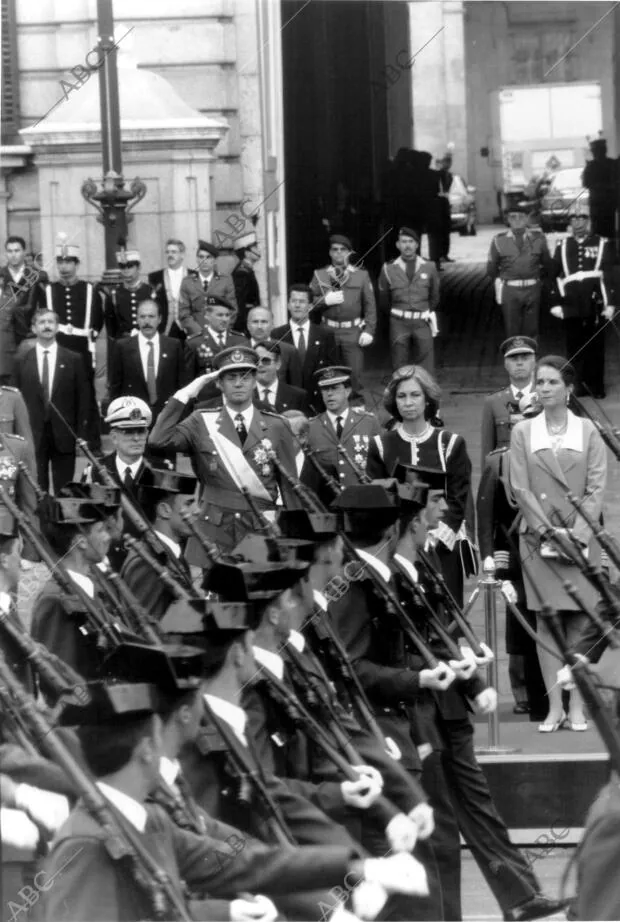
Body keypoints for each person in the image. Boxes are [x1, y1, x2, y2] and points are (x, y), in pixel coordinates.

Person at [38, 669, 425, 922]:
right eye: (161, 732)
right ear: (145, 749)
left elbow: (245, 862)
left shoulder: (150, 820)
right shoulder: (84, 843)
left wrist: (358, 868)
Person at [510, 355, 607, 732]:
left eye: (552, 382)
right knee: (547, 625)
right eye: (541, 383)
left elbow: (597, 488)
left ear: (569, 389)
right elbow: (520, 487)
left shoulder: (589, 430)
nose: (544, 389)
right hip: (538, 541)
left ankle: (579, 707)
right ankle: (555, 707)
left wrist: (575, 534)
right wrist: (548, 531)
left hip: (583, 539)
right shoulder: (523, 432)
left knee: (584, 623)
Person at [148, 345, 302, 562]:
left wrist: (293, 539)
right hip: (214, 531)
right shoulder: (201, 421)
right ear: (218, 383)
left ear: (255, 380)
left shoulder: (277, 425)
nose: (239, 383)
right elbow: (158, 440)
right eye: (231, 378)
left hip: (261, 528)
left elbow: (291, 489)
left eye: (245, 376)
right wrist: (186, 393)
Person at [366, 365, 475, 606]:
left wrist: (431, 538)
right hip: (396, 547)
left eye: (415, 395)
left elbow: (458, 499)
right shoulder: (380, 446)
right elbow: (376, 499)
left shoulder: (450, 443)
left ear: (427, 400)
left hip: (440, 545)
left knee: (444, 616)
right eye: (402, 396)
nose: (408, 402)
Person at [477, 440, 547, 720]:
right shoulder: (499, 463)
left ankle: (557, 690)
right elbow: (487, 517)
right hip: (515, 555)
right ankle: (523, 691)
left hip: (551, 552)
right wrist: (489, 557)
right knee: (520, 624)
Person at [31, 489, 111, 679]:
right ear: (81, 542)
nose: (108, 537)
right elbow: (57, 675)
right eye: (101, 530)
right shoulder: (54, 600)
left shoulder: (94, 583)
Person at [14, 307, 91, 492]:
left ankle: (61, 521)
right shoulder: (21, 360)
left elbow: (83, 399)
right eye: (41, 322)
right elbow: (16, 402)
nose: (46, 326)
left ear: (57, 327)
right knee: (37, 489)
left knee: (64, 489)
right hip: (33, 435)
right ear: (33, 329)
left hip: (64, 435)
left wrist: (82, 434)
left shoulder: (74, 359)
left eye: (50, 322)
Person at [549, 204, 615, 399]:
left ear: (589, 221)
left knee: (596, 346)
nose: (578, 222)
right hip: (571, 304)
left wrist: (610, 303)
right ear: (570, 223)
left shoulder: (601, 243)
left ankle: (596, 386)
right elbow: (553, 276)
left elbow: (609, 275)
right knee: (574, 347)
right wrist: (555, 303)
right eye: (574, 219)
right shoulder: (562, 246)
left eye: (582, 218)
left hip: (595, 303)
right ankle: (578, 386)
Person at [120, 465, 197, 621]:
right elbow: (146, 630)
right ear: (164, 510)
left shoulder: (170, 552)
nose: (198, 510)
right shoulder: (145, 564)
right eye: (188, 504)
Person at [303, 366, 380, 507]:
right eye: (325, 390)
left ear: (347, 391)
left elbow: (379, 466)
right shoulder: (311, 426)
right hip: (328, 505)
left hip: (363, 503)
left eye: (335, 388)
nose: (329, 394)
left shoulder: (368, 422)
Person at [309, 235, 376, 394]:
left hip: (352, 331)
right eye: (335, 250)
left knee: (355, 373)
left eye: (343, 250)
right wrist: (325, 301)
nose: (339, 253)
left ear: (349, 253)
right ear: (330, 253)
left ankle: (356, 406)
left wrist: (369, 330)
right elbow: (308, 303)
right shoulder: (320, 275)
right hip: (327, 330)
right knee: (328, 372)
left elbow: (370, 305)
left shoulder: (361, 275)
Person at [108, 299, 186, 424]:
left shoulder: (173, 346)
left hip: (167, 416)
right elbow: (115, 386)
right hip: (134, 416)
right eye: (142, 317)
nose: (147, 321)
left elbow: (182, 385)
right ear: (137, 319)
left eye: (151, 316)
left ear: (159, 319)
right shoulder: (122, 347)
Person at [378, 228, 440, 374]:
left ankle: (425, 394)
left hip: (422, 321)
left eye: (411, 241)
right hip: (399, 321)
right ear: (397, 245)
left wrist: (424, 310)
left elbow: (435, 296)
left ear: (417, 245)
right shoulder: (388, 268)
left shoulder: (429, 267)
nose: (407, 245)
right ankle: (400, 393)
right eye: (403, 242)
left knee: (426, 362)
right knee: (399, 362)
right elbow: (383, 300)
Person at [486, 203, 552, 339]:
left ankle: (531, 357)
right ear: (507, 220)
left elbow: (547, 264)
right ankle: (514, 358)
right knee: (512, 329)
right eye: (513, 217)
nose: (517, 220)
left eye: (521, 216)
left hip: (532, 288)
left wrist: (538, 280)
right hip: (510, 290)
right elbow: (492, 269)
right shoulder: (499, 240)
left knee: (532, 329)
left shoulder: (538, 238)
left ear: (527, 218)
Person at [271, 284, 339, 411]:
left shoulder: (325, 335)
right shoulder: (277, 334)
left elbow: (332, 370)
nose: (297, 305)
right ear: (288, 305)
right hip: (287, 403)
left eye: (302, 301)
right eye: (293, 301)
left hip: (317, 403)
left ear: (310, 306)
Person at [480, 336, 538, 467]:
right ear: (505, 364)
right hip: (506, 472)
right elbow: (488, 449)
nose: (519, 363)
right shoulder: (493, 401)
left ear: (534, 362)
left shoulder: (544, 396)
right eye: (513, 359)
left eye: (525, 358)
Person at [0, 236, 46, 382]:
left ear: (24, 252)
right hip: (4, 337)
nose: (13, 254)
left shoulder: (38, 276)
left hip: (29, 335)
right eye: (9, 251)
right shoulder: (1, 275)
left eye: (17, 250)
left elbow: (44, 307)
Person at [178, 240, 238, 337]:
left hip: (220, 334)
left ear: (214, 260)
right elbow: (184, 313)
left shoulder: (225, 281)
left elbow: (232, 310)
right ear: (197, 259)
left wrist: (220, 330)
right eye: (201, 257)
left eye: (208, 257)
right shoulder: (187, 282)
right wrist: (198, 332)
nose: (204, 260)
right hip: (195, 335)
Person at [184, 295, 245, 379]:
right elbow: (188, 379)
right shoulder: (194, 343)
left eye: (227, 315)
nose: (225, 319)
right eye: (220, 315)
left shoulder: (240, 340)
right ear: (207, 316)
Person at [103, 242, 155, 341]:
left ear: (138, 267)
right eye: (122, 267)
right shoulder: (114, 294)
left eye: (130, 266)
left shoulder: (150, 292)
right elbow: (110, 323)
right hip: (123, 342)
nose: (126, 270)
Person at [247, 306, 303, 387]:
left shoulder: (288, 351)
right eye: (255, 322)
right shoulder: (239, 351)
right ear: (248, 325)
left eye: (264, 322)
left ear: (272, 325)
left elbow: (296, 387)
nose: (259, 326)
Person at [253, 340, 309, 413]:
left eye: (266, 360)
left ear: (278, 363)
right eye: (256, 361)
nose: (260, 365)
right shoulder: (245, 394)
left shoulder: (298, 396)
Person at [148, 238, 189, 338]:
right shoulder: (155, 277)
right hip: (165, 328)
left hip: (188, 329)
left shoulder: (193, 275)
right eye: (167, 252)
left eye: (174, 252)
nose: (170, 255)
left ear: (182, 255)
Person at [582, 135, 617, 239]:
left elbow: (585, 183)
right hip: (600, 203)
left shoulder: (611, 164)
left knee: (606, 229)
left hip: (605, 203)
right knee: (602, 229)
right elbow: (586, 183)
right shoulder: (610, 164)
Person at [231, 231, 262, 333]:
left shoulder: (247, 270)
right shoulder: (242, 273)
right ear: (247, 253)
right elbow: (240, 303)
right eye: (255, 248)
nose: (259, 251)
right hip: (245, 325)